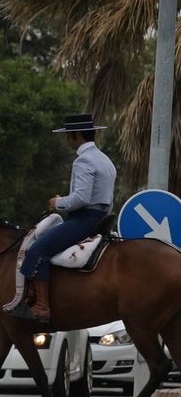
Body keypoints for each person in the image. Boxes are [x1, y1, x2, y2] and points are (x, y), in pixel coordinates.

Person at [18, 113, 117, 322]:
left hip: (84, 218)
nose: (67, 139)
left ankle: (42, 306)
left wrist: (58, 202)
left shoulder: (83, 160)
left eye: (68, 135)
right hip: (101, 216)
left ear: (76, 135)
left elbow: (81, 198)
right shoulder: (105, 160)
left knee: (37, 250)